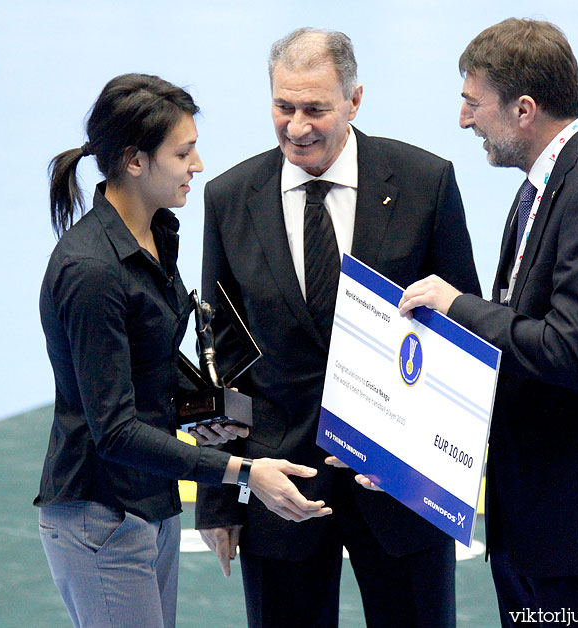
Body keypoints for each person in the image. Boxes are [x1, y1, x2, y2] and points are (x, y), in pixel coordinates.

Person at [195, 27, 481, 628]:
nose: (296, 127)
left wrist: (443, 470)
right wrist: (219, 498)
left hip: (399, 487)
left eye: (315, 109)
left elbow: (466, 340)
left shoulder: (424, 184)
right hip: (282, 487)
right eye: (283, 106)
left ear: (354, 101)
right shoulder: (229, 198)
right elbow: (222, 353)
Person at [397, 19, 578, 627]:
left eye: (473, 103)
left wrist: (455, 306)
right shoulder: (544, 191)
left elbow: (571, 351)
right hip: (540, 518)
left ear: (524, 108)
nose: (463, 121)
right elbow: (521, 344)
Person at [35, 73, 330, 628]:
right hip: (100, 517)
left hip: (150, 503)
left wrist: (199, 409)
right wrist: (242, 472)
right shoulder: (91, 273)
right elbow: (115, 430)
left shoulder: (157, 231)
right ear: (135, 161)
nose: (198, 165)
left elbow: (153, 358)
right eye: (184, 152)